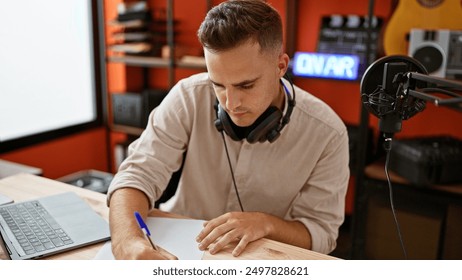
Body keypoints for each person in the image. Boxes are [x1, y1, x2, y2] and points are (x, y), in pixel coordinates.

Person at [107, 0, 349, 260]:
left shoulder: (328, 133)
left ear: (280, 66)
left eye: (246, 86)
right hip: (175, 247)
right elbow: (135, 176)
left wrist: (265, 223)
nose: (230, 104)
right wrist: (128, 243)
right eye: (218, 85)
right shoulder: (187, 96)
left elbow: (322, 234)